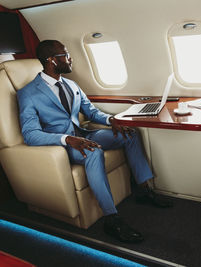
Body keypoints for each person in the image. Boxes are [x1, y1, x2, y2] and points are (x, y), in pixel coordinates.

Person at [17, 40, 172, 243]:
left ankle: (144, 190)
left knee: (130, 134)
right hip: (63, 146)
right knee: (93, 152)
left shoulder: (71, 85)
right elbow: (30, 134)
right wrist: (67, 139)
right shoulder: (28, 93)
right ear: (52, 60)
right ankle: (111, 219)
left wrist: (112, 120)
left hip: (84, 133)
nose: (70, 58)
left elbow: (90, 111)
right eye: (66, 55)